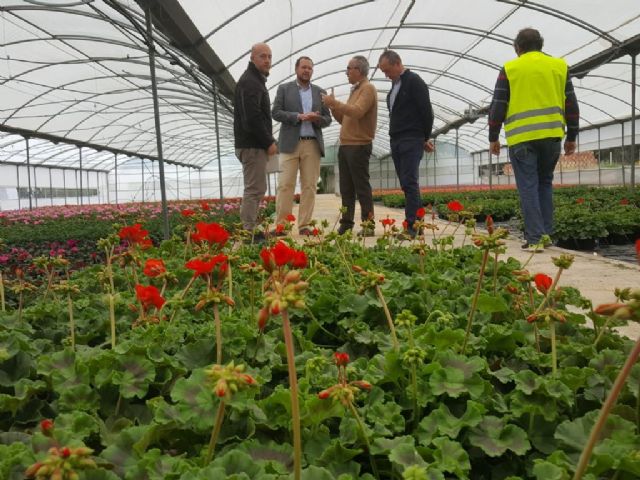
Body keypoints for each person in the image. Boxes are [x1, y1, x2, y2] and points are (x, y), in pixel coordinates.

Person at [488, 28, 579, 251]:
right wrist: (572, 136)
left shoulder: (510, 68)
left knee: (528, 186)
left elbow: (498, 105)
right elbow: (571, 104)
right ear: (541, 45)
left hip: (522, 139)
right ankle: (547, 234)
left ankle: (535, 238)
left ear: (517, 48)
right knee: (545, 183)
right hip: (551, 137)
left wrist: (493, 137)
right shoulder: (559, 66)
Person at [272, 56, 332, 236]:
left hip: (312, 143)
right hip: (289, 143)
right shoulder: (284, 89)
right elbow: (275, 112)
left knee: (309, 186)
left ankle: (304, 225)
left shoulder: (320, 92)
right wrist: (297, 117)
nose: (307, 70)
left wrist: (317, 119)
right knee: (285, 185)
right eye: (304, 67)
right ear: (296, 69)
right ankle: (282, 226)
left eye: (310, 68)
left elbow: (328, 119)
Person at [378, 50, 434, 239]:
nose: (386, 75)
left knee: (410, 182)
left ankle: (413, 227)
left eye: (387, 70)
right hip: (397, 140)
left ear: (397, 63)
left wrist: (424, 137)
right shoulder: (394, 88)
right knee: (406, 183)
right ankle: (415, 225)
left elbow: (426, 111)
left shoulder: (413, 82)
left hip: (411, 139)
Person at [321, 55, 377, 236]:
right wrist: (334, 108)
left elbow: (358, 112)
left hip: (359, 145)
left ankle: (368, 225)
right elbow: (345, 119)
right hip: (346, 146)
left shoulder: (368, 89)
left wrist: (335, 103)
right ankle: (346, 223)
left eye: (349, 68)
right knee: (346, 188)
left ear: (358, 70)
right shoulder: (355, 91)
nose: (346, 72)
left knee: (361, 187)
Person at [233, 43, 278, 240]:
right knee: (254, 189)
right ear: (252, 58)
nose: (267, 60)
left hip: (251, 144)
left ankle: (249, 230)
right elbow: (252, 118)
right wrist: (269, 141)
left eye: (269, 56)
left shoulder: (255, 80)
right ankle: (247, 233)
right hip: (252, 145)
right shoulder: (251, 82)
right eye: (262, 56)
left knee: (256, 188)